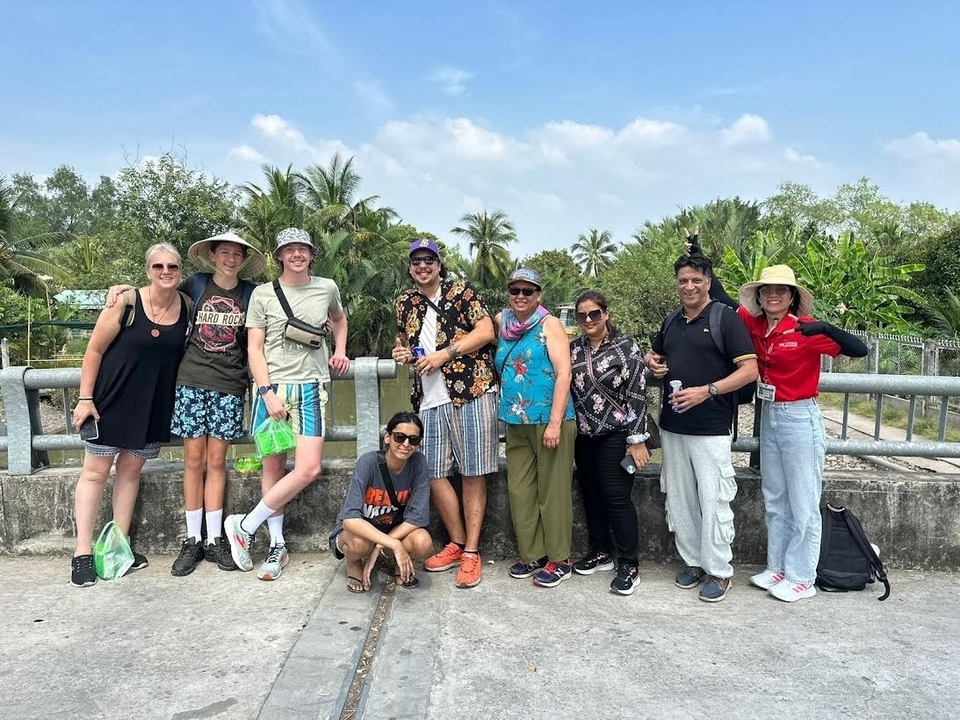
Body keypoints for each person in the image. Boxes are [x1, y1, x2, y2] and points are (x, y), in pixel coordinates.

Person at [224, 227, 350, 581]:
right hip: (273, 388)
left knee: (308, 468)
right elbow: (254, 348)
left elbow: (339, 320)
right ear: (278, 255)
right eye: (289, 249)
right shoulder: (263, 295)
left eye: (303, 249)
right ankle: (277, 545)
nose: (296, 254)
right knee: (273, 468)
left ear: (312, 254)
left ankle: (244, 525)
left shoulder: (326, 287)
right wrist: (266, 392)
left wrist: (340, 351)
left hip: (311, 386)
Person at [736, 265, 867, 602]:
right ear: (759, 297)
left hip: (798, 416)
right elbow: (719, 296)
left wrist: (828, 327)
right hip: (770, 415)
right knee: (775, 496)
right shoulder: (756, 325)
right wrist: (698, 254)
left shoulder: (807, 329)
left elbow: (859, 350)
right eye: (766, 290)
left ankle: (802, 576)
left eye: (781, 290)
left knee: (803, 500)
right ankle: (777, 566)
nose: (773, 295)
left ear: (792, 296)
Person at [70, 243, 191, 587]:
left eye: (172, 267)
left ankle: (117, 547)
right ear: (147, 270)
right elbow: (94, 350)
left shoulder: (187, 305)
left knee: (131, 471)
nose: (165, 272)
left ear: (180, 271)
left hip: (153, 402)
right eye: (158, 267)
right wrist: (85, 398)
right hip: (111, 397)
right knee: (95, 473)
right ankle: (81, 552)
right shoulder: (126, 301)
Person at [645, 254, 758, 603]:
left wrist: (707, 391)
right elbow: (656, 355)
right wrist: (653, 362)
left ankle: (719, 570)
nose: (689, 286)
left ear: (708, 282)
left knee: (714, 499)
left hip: (711, 426)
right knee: (679, 498)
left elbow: (750, 371)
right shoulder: (672, 321)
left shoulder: (726, 318)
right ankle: (693, 561)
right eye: (683, 281)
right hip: (674, 425)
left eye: (696, 280)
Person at [392, 238, 498, 589]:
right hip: (429, 397)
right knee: (434, 473)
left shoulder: (461, 291)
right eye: (417, 261)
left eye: (429, 261)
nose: (423, 266)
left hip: (472, 390)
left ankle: (471, 552)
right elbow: (403, 341)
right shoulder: (404, 301)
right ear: (410, 267)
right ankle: (455, 541)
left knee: (472, 470)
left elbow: (485, 331)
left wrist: (444, 354)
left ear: (439, 265)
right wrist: (403, 353)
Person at [495, 268, 577, 588]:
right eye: (515, 290)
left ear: (538, 295)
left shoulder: (550, 324)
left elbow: (564, 373)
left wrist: (555, 423)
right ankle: (533, 554)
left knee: (552, 492)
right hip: (516, 421)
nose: (520, 296)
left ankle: (560, 558)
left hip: (549, 420)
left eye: (527, 291)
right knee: (521, 490)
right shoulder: (503, 323)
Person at [569, 290, 652, 596]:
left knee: (617, 498)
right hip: (584, 434)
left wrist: (636, 439)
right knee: (591, 495)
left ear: (606, 314)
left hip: (616, 435)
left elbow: (637, 393)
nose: (588, 320)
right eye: (582, 315)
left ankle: (629, 563)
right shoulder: (573, 348)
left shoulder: (625, 346)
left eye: (594, 314)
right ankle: (601, 550)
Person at [328, 412, 434, 592]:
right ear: (387, 437)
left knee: (423, 542)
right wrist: (393, 543)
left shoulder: (418, 463)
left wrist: (381, 545)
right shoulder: (368, 463)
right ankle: (353, 562)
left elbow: (417, 517)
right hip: (359, 532)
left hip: (392, 529)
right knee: (359, 544)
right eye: (400, 437)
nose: (406, 444)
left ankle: (397, 562)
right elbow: (350, 519)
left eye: (413, 440)